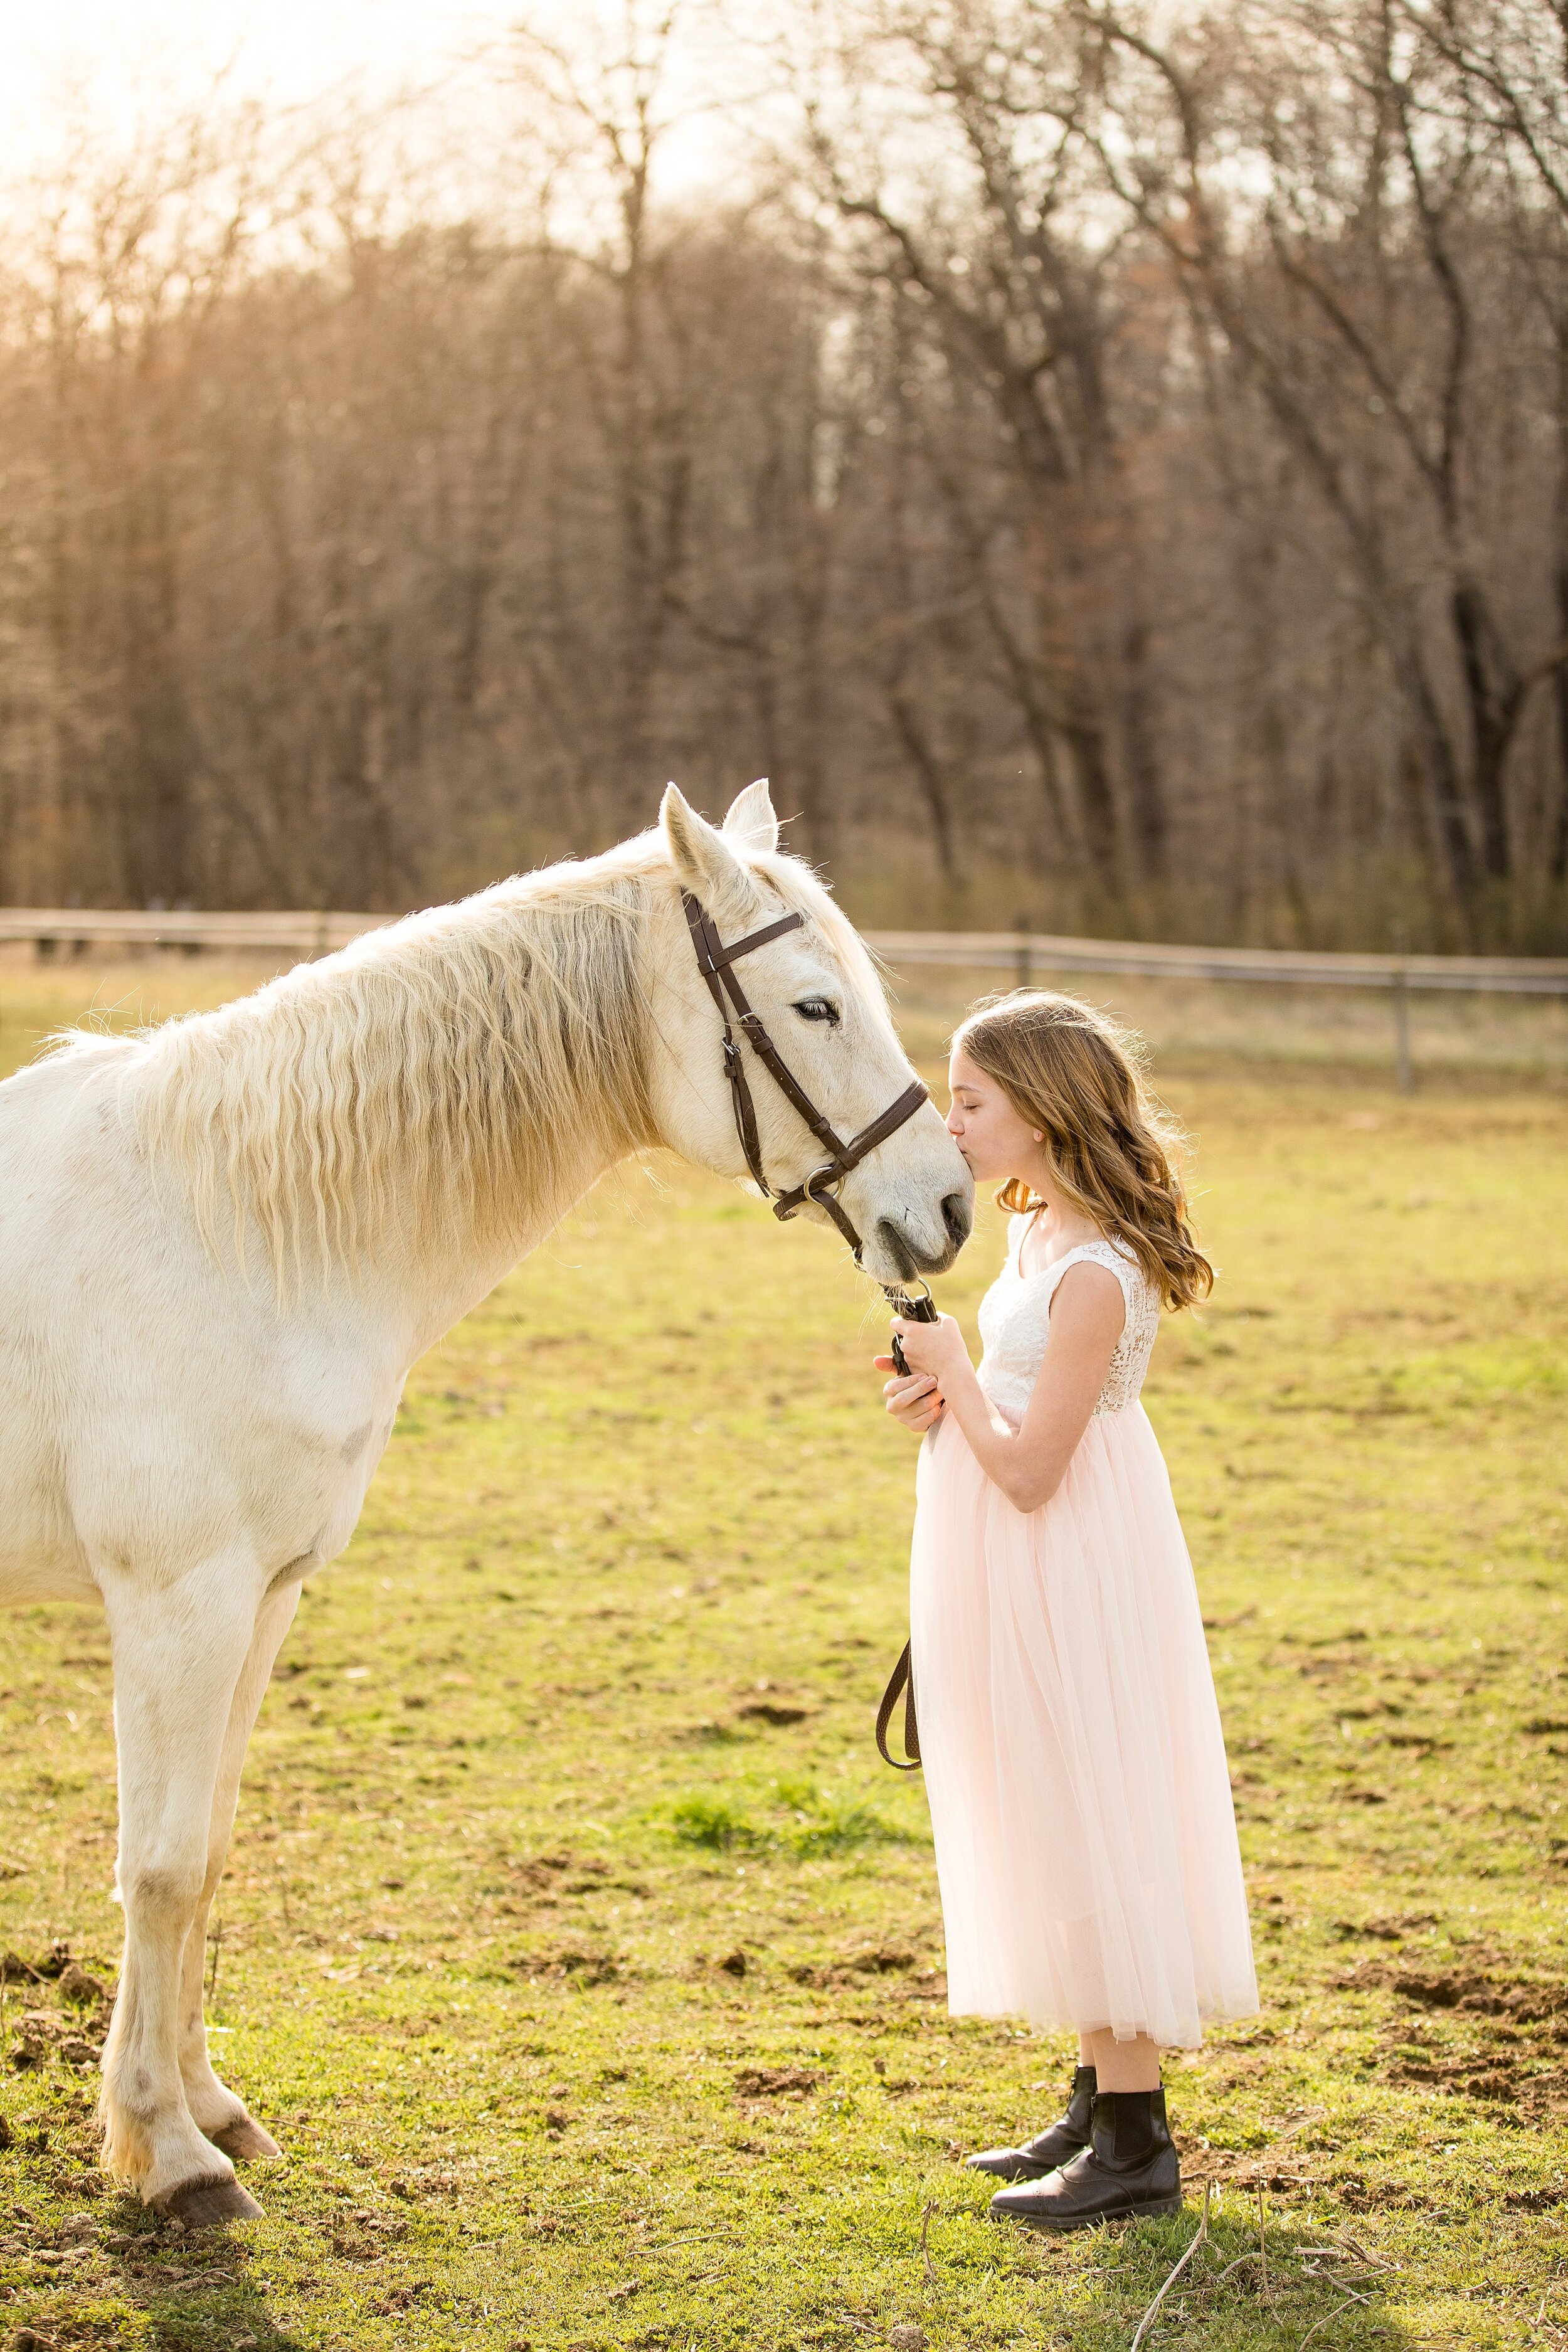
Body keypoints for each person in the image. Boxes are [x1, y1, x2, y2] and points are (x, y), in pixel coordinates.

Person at [877, 991, 1257, 2233]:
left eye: (972, 1101)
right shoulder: (1038, 1232)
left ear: (1039, 1112)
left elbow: (1037, 1467)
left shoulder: (1097, 1269)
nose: (953, 1120)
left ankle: (1136, 2142)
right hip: (1013, 1540)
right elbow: (1014, 1408)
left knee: (1087, 1806)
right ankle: (1094, 2096)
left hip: (1064, 1545)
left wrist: (953, 1379)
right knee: (1043, 1799)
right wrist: (950, 1394)